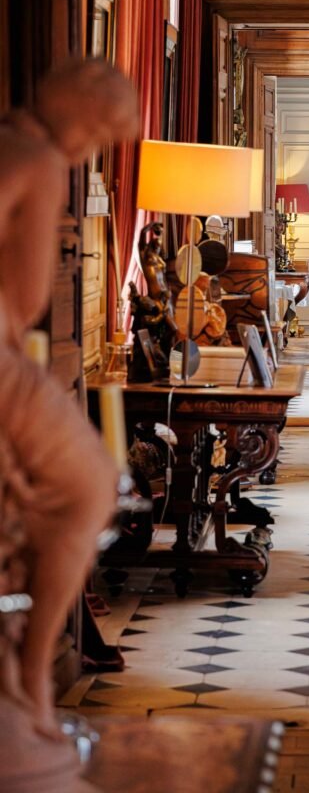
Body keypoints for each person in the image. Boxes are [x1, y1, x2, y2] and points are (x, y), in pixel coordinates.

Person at [0, 58, 139, 789]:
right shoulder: (40, 157)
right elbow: (24, 300)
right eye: (98, 137)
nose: (90, 155)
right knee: (88, 487)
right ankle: (27, 681)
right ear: (80, 119)